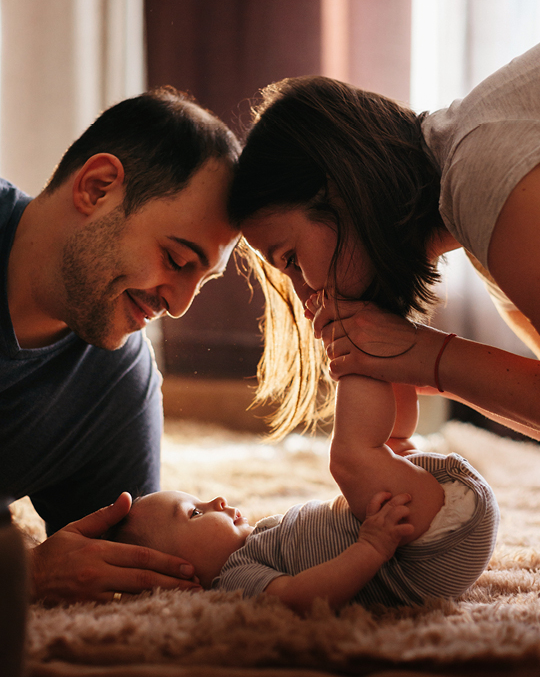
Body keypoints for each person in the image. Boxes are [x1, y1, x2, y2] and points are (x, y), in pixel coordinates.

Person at [228, 43, 540, 442]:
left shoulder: (480, 169)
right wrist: (421, 365)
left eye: (291, 259)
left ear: (342, 186)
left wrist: (425, 355)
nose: (307, 299)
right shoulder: (481, 217)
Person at [1, 87, 241, 605]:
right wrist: (22, 575)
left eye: (202, 281)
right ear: (97, 187)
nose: (178, 306)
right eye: (177, 260)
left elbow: (123, 569)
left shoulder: (116, 383)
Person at [107, 371, 498, 614]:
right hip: (425, 553)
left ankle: (390, 361)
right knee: (350, 458)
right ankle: (362, 360)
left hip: (429, 516)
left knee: (391, 443)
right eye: (194, 513)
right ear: (181, 574)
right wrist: (372, 548)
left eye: (200, 498)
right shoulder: (234, 580)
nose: (217, 501)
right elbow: (299, 597)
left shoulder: (259, 542)